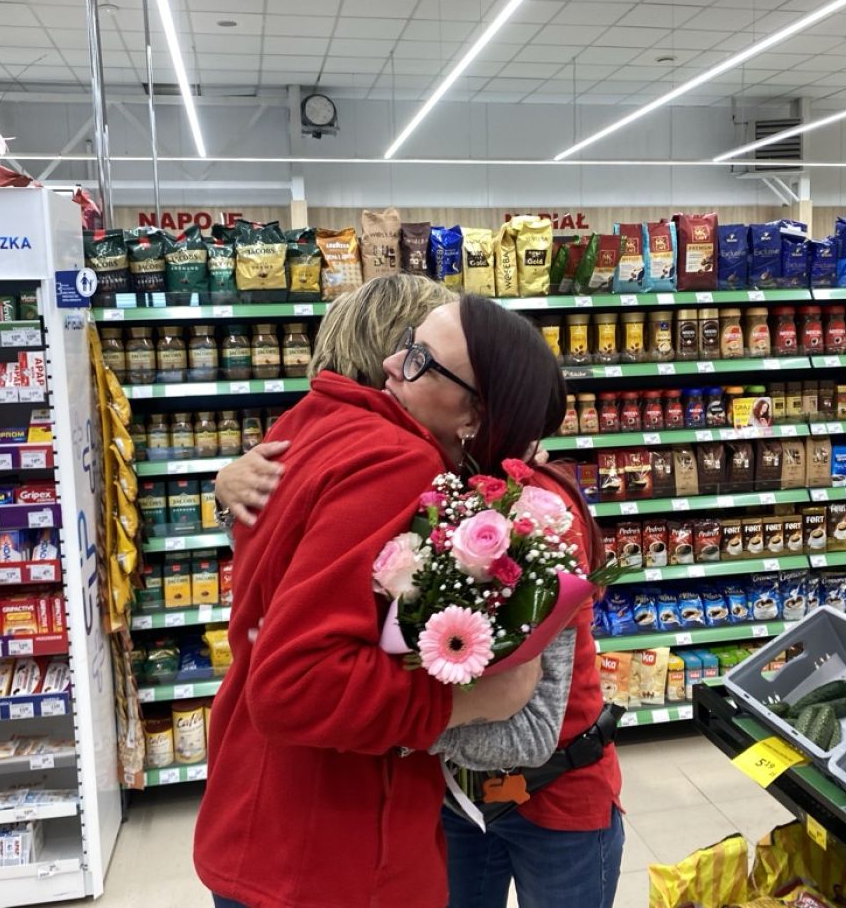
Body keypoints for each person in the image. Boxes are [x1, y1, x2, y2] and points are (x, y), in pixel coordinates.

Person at [212, 278, 625, 908]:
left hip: (546, 791)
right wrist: (452, 706)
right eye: (407, 345)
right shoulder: (401, 463)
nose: (391, 365)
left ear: (476, 414)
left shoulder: (527, 510)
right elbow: (299, 672)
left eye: (419, 359)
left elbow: (532, 723)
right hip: (362, 821)